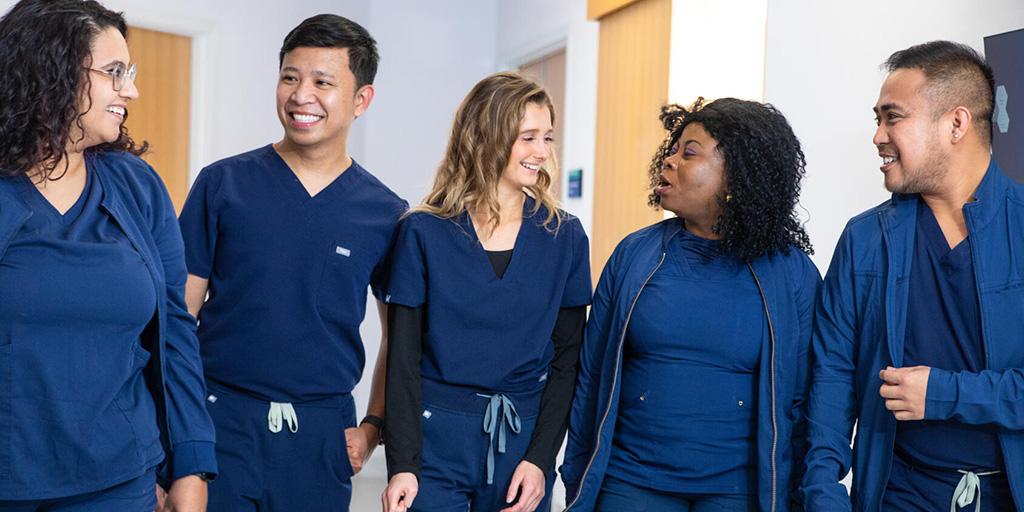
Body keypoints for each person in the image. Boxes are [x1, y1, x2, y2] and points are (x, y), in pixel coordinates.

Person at [177, 14, 406, 511]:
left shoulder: (385, 214)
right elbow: (178, 318)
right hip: (220, 423)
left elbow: (397, 336)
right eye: (289, 77)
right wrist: (176, 439)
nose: (301, 95)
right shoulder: (222, 185)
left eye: (323, 82)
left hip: (321, 438)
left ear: (361, 99)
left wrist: (372, 427)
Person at [0, 0, 216, 510]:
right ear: (50, 70)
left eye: (131, 72)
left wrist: (190, 463)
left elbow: (175, 331)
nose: (131, 90)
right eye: (114, 72)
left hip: (119, 478)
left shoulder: (137, 186)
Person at [561, 98, 820, 512]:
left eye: (689, 152)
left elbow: (805, 399)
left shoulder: (792, 275)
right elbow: (591, 375)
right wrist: (575, 476)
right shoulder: (634, 256)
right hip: (632, 480)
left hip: (739, 489)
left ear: (736, 177)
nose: (669, 160)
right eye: (674, 148)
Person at [802, 41, 1023, 511]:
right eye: (877, 119)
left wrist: (944, 393)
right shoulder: (864, 239)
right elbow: (832, 377)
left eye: (892, 117)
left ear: (956, 124)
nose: (878, 136)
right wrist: (823, 493)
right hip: (897, 495)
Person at [380, 72, 592, 512]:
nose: (542, 152)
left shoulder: (565, 236)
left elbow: (568, 360)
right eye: (527, 137)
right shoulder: (423, 231)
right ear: (485, 138)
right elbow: (403, 357)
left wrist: (540, 458)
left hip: (522, 441)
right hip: (435, 442)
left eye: (547, 137)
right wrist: (402, 462)